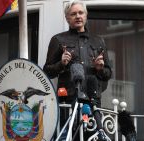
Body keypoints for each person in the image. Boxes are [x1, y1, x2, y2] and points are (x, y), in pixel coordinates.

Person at [43, 0, 112, 140]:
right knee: (68, 137)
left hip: (93, 102)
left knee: (91, 137)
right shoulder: (58, 39)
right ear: (67, 18)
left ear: (86, 15)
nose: (78, 16)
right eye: (73, 14)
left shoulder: (98, 41)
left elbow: (108, 74)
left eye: (81, 13)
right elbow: (47, 72)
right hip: (67, 102)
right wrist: (62, 63)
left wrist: (100, 69)